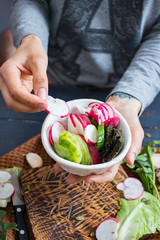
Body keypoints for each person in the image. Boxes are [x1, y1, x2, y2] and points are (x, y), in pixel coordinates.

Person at [0, 0, 160, 184]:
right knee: (8, 45)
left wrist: (129, 96)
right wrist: (30, 37)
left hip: (130, 75)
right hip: (49, 70)